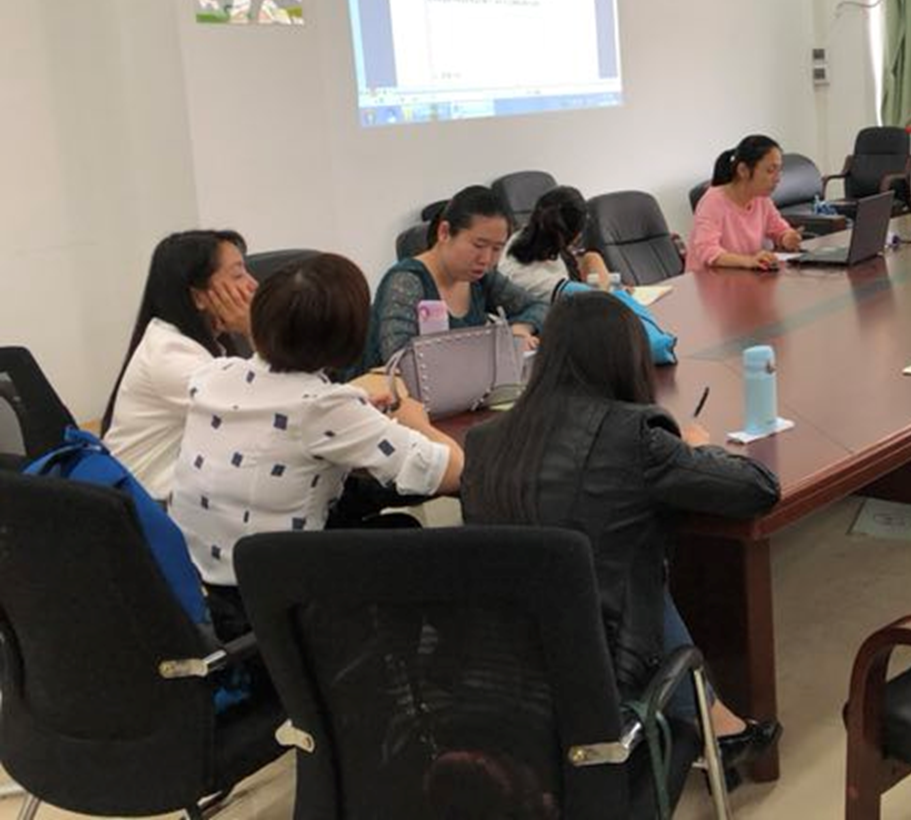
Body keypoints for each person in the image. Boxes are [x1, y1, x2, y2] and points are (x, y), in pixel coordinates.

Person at [460, 291, 781, 770]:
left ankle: (714, 720)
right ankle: (713, 725)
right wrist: (693, 451)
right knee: (630, 564)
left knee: (613, 554)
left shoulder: (484, 442)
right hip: (603, 665)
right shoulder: (635, 434)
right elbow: (759, 488)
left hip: (491, 665)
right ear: (627, 359)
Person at [171, 254, 463, 641]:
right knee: (407, 535)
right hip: (275, 601)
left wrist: (355, 414)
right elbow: (451, 473)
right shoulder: (323, 408)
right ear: (350, 335)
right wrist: (416, 421)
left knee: (374, 507)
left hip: (205, 587)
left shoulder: (212, 375)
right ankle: (427, 659)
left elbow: (282, 417)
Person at [102, 230, 257, 501]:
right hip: (146, 508)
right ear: (198, 297)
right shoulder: (171, 356)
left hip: (178, 496)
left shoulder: (195, 342)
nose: (253, 284)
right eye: (238, 275)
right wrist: (254, 330)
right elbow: (267, 415)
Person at [364, 186, 549, 370]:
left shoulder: (480, 278)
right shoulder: (406, 281)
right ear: (444, 232)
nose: (486, 259)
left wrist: (522, 328)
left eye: (497, 249)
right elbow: (399, 358)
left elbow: (540, 307)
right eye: (478, 245)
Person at [689, 135, 804, 271]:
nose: (777, 179)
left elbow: (778, 228)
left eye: (779, 171)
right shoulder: (713, 202)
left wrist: (787, 237)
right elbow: (707, 249)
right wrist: (748, 261)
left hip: (744, 276)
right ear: (743, 170)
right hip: (710, 279)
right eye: (770, 171)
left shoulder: (762, 199)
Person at [501, 185, 613, 302]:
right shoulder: (543, 282)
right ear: (575, 236)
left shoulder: (520, 236)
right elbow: (598, 300)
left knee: (592, 258)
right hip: (551, 309)